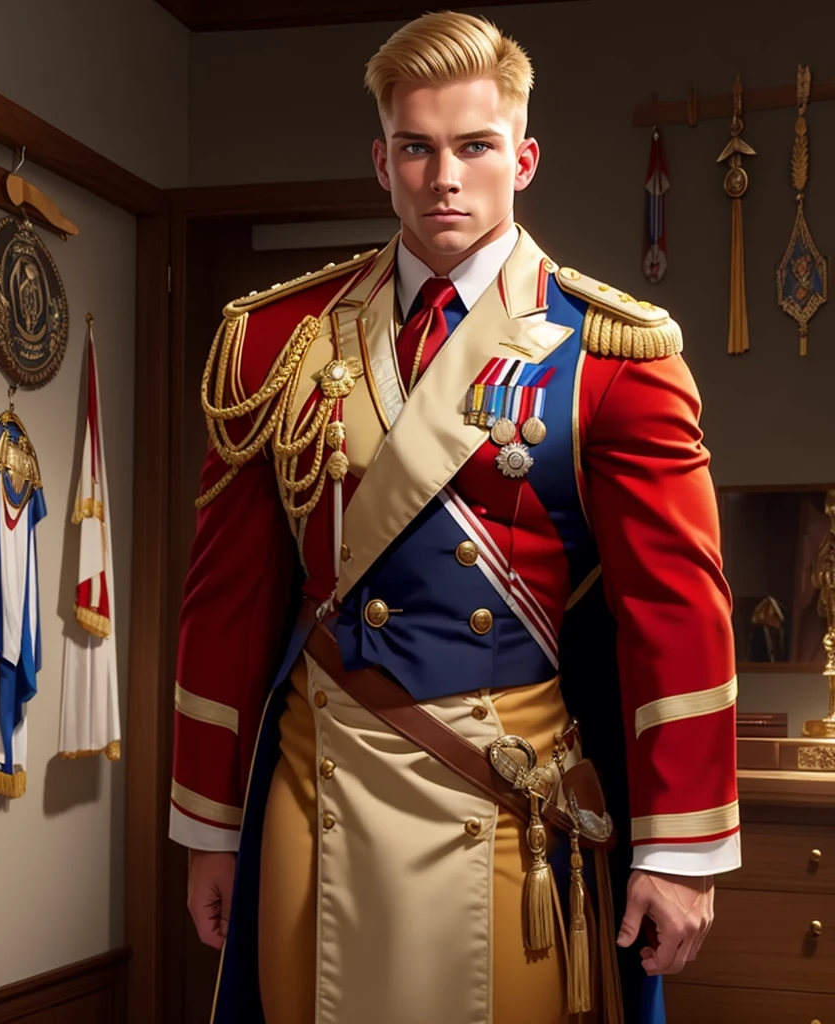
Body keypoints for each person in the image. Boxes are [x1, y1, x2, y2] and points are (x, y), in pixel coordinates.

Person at [170, 11, 739, 1023]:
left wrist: (682, 851)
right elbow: (226, 601)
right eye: (418, 148)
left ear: (521, 158)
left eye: (474, 147)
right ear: (380, 160)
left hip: (502, 794)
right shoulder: (275, 343)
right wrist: (212, 825)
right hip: (320, 778)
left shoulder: (611, 350)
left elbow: (677, 611)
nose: (445, 177)